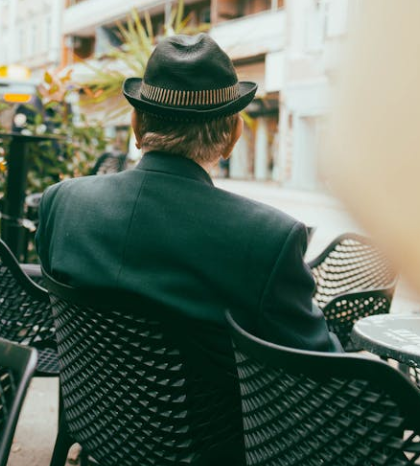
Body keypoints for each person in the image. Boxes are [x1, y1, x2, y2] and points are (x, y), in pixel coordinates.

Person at [36, 33, 341, 465]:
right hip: (211, 451)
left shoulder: (61, 202)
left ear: (138, 126)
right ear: (233, 135)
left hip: (98, 433)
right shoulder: (266, 237)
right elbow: (321, 375)